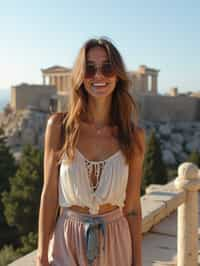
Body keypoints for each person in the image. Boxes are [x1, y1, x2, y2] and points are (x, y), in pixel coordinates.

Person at [36, 37, 146, 266]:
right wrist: (41, 255)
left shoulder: (133, 136)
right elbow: (49, 196)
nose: (98, 75)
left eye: (107, 67)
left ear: (117, 74)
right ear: (79, 75)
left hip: (116, 242)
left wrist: (137, 262)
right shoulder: (58, 127)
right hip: (67, 242)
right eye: (89, 68)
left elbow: (133, 208)